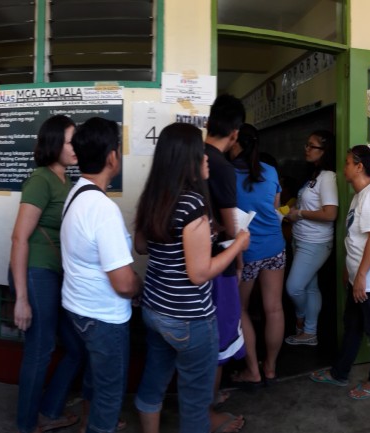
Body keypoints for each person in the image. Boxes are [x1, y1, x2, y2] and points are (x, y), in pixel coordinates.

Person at [133, 123, 249, 433]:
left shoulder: (152, 198)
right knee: (195, 402)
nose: (207, 159)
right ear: (188, 159)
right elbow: (199, 274)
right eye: (201, 154)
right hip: (189, 317)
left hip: (154, 310)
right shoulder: (192, 205)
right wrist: (238, 244)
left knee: (153, 384)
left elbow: (141, 246)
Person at [57, 117, 137, 433]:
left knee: (94, 378)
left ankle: (88, 423)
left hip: (78, 311)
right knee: (108, 394)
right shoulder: (103, 209)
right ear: (112, 157)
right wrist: (138, 284)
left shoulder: (76, 194)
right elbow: (122, 282)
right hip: (104, 317)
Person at [9, 115, 82, 433]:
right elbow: (19, 238)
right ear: (54, 144)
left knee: (76, 348)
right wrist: (22, 299)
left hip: (54, 275)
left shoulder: (66, 180)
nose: (75, 146)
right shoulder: (40, 179)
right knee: (40, 350)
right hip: (36, 274)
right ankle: (27, 424)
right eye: (70, 141)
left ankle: (50, 410)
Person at [311, 145, 370, 400]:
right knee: (352, 326)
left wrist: (360, 276)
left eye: (348, 162)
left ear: (359, 166)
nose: (344, 167)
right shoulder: (359, 194)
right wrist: (350, 272)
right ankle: (340, 373)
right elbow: (355, 237)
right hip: (360, 277)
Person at [202, 94, 247, 433]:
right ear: (234, 133)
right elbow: (232, 228)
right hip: (216, 263)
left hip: (184, 265)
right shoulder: (220, 166)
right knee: (219, 338)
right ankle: (209, 410)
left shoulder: (188, 156)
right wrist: (240, 254)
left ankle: (205, 400)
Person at [229, 124, 285, 385]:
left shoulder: (228, 174)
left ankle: (252, 370)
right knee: (273, 308)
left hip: (246, 252)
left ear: (236, 142)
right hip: (275, 246)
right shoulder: (271, 171)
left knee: (240, 309)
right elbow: (274, 207)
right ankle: (271, 368)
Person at [284, 131, 338, 346]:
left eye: (312, 146)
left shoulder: (328, 177)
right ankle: (309, 333)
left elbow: (330, 214)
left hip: (315, 242)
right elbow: (308, 205)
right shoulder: (313, 176)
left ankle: (300, 318)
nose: (307, 149)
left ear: (324, 151)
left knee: (294, 287)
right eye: (307, 144)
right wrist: (295, 209)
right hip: (300, 237)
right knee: (310, 287)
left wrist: (300, 214)